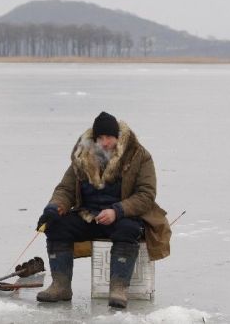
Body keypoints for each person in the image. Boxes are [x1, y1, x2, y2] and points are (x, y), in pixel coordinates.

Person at [36, 112, 171, 308]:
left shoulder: (139, 155)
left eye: (109, 137)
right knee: (56, 225)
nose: (105, 142)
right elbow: (65, 189)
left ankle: (118, 288)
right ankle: (61, 285)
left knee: (128, 229)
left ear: (118, 137)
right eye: (100, 138)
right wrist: (54, 207)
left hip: (123, 215)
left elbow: (146, 195)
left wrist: (117, 211)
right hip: (89, 215)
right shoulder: (82, 156)